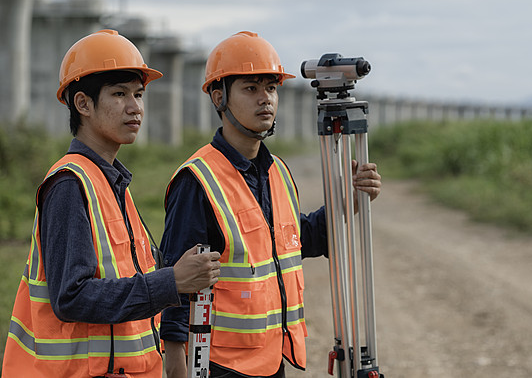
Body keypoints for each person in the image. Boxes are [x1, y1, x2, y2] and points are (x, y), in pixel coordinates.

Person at [159, 31, 382, 378]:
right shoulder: (197, 179)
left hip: (269, 359)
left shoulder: (277, 170)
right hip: (219, 365)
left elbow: (298, 241)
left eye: (271, 88)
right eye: (251, 88)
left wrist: (349, 201)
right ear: (219, 97)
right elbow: (175, 276)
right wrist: (175, 360)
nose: (265, 99)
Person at [1, 29, 221, 378]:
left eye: (138, 94)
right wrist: (170, 282)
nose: (135, 107)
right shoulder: (71, 184)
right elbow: (71, 297)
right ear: (83, 104)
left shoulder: (113, 182)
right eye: (119, 94)